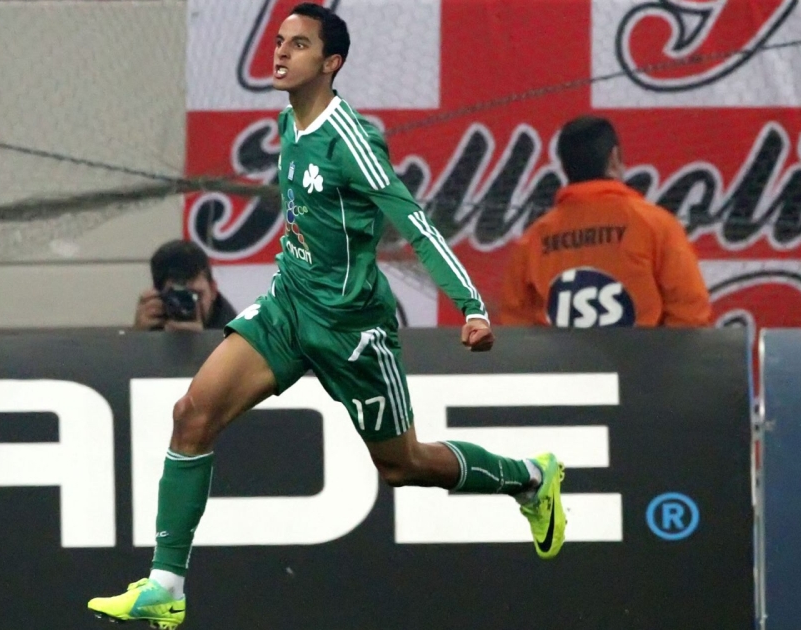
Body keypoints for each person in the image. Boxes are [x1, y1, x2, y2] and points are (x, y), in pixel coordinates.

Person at [87, 4, 566, 628]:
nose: (280, 52)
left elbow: (414, 222)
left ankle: (529, 478)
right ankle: (165, 588)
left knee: (402, 465)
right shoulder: (288, 121)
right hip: (289, 306)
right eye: (279, 40)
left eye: (299, 44)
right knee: (191, 415)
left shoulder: (351, 139)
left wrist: (472, 304)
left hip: (351, 329)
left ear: (330, 62)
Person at [500, 115, 711, 328]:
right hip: (642, 351)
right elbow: (690, 314)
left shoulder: (532, 241)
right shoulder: (657, 226)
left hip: (562, 352)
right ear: (614, 158)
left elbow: (515, 328)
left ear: (564, 166)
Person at [132, 239, 236, 333]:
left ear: (213, 290)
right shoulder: (152, 324)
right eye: (177, 295)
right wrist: (139, 337)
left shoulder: (238, 337)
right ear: (158, 296)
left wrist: (202, 342)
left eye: (196, 295)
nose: (186, 305)